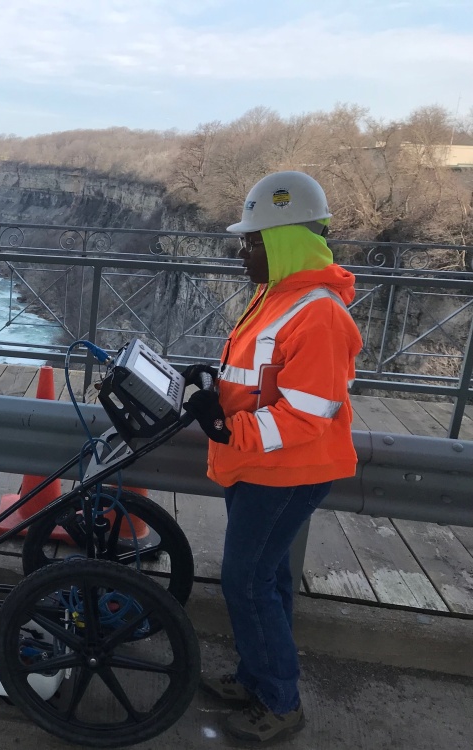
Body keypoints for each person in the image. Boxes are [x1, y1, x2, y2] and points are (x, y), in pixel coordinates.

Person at [182, 171, 363, 744]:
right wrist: (216, 389)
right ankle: (258, 678)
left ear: (284, 241)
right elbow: (259, 377)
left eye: (252, 241)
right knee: (265, 577)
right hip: (263, 468)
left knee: (248, 581)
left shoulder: (318, 313)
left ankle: (280, 701)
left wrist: (228, 429)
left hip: (286, 472)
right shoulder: (276, 297)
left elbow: (309, 412)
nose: (242, 252)